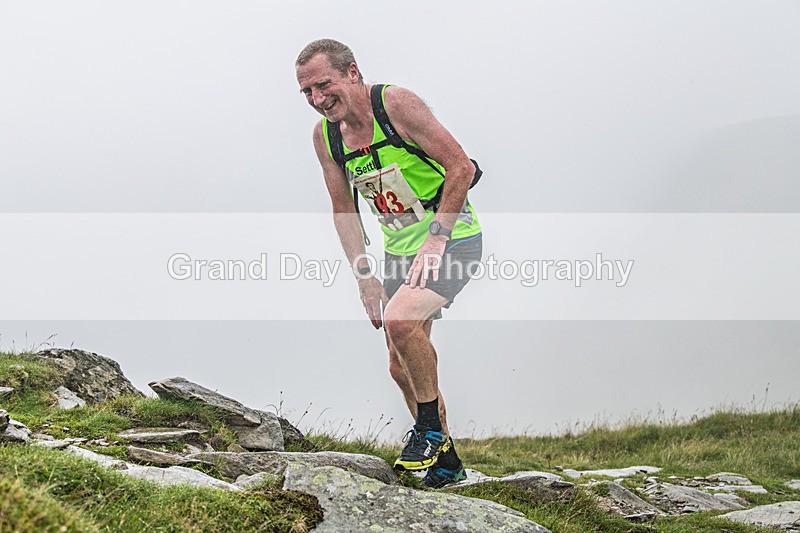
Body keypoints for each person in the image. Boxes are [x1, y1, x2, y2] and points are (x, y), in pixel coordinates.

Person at [295, 39, 483, 488]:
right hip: (399, 251)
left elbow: (461, 167)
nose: (318, 99)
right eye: (306, 92)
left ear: (352, 72)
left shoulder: (396, 105)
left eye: (324, 85)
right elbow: (343, 209)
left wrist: (436, 239)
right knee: (400, 367)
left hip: (453, 238)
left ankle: (429, 432)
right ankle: (447, 463)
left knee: (401, 320)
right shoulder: (326, 138)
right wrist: (364, 276)